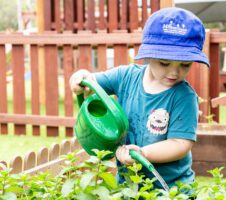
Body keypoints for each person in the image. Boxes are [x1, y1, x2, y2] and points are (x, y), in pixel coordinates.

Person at [69, 7, 210, 189]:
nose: (174, 72)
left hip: (171, 189)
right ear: (149, 55)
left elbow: (180, 144)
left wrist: (143, 153)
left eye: (185, 64)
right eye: (165, 63)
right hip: (129, 185)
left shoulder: (184, 97)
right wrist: (80, 78)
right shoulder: (126, 77)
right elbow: (92, 81)